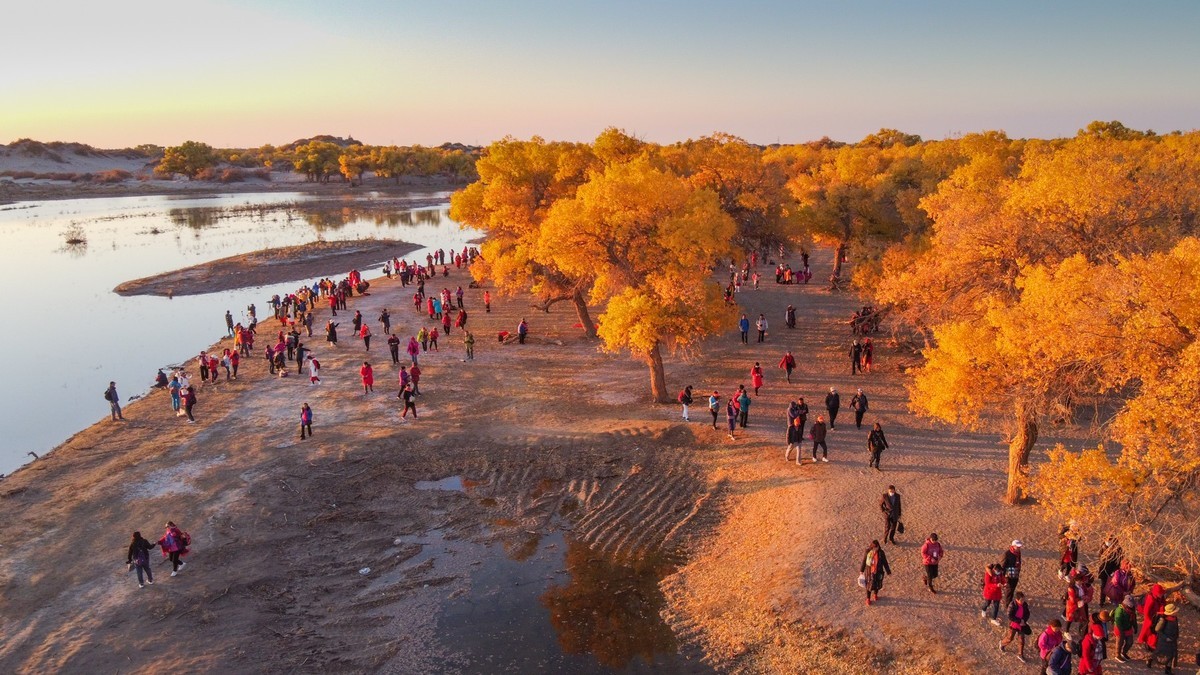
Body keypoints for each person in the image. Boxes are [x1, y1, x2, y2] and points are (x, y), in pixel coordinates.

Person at [1147, 603, 1179, 673]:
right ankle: (1150, 659)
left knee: (1171, 654)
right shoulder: (1163, 620)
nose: (1177, 612)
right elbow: (1157, 630)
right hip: (1164, 641)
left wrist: (1176, 636)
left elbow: (1176, 628)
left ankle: (1168, 670)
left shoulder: (1174, 618)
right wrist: (1166, 638)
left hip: (1172, 640)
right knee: (1159, 653)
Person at [999, 591, 1031, 661]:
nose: (1023, 601)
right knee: (1010, 638)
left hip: (1021, 625)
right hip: (1013, 625)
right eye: (1021, 600)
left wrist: (1023, 620)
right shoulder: (1012, 605)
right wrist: (1019, 621)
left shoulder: (1025, 605)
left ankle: (1020, 654)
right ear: (1017, 599)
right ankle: (1002, 643)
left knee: (1021, 640)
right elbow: (1009, 616)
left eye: (1023, 599)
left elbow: (1027, 613)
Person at [860, 539, 891, 606]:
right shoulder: (868, 552)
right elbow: (864, 561)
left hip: (878, 572)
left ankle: (875, 594)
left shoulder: (881, 553)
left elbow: (885, 562)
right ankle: (868, 599)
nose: (876, 549)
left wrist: (888, 571)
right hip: (869, 572)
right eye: (874, 547)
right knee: (868, 586)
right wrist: (861, 570)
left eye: (877, 547)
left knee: (877, 585)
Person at [1138, 583, 1167, 651]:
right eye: (1160, 593)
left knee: (1155, 632)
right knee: (1149, 631)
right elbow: (1146, 611)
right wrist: (1149, 620)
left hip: (1157, 616)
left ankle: (1152, 644)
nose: (1161, 594)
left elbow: (1163, 604)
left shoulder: (1160, 597)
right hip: (1151, 618)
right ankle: (1148, 644)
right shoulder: (1150, 598)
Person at [1096, 536, 1124, 605]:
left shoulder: (1117, 549)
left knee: (1112, 585)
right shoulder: (1104, 546)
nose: (1107, 542)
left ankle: (1110, 599)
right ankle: (1102, 601)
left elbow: (1118, 560)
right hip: (1105, 569)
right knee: (1104, 585)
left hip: (1111, 570)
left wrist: (1115, 571)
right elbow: (1100, 556)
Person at [1111, 594, 1138, 663]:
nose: (1131, 606)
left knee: (1130, 642)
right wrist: (1121, 633)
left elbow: (1134, 618)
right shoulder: (1119, 611)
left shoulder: (1132, 609)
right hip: (1120, 628)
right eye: (1130, 604)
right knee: (1120, 642)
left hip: (1128, 627)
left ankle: (1124, 652)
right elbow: (1118, 622)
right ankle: (1117, 654)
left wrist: (1135, 626)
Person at [1002, 540, 1023, 607]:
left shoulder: (1018, 553)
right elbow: (1003, 565)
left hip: (1016, 574)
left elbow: (1019, 562)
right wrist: (1003, 577)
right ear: (1013, 546)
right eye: (1017, 547)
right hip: (1009, 575)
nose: (1019, 548)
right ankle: (1007, 605)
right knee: (1009, 590)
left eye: (1019, 547)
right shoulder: (1007, 554)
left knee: (1013, 589)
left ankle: (1010, 601)